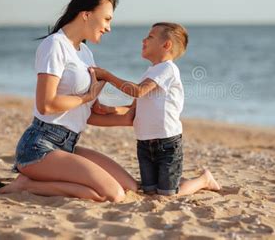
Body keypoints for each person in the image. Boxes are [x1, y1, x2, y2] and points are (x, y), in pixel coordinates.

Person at [0, 0, 138, 202]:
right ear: (86, 14)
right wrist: (87, 97)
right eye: (107, 19)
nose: (109, 28)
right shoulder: (54, 45)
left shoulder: (85, 53)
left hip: (68, 144)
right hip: (39, 146)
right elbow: (46, 104)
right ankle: (27, 184)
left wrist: (127, 115)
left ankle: (40, 181)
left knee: (130, 187)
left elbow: (87, 114)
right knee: (114, 195)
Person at [93, 22, 221, 196]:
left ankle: (203, 180)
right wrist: (110, 109)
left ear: (166, 45)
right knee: (149, 191)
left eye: (150, 37)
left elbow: (138, 91)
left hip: (167, 143)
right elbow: (135, 107)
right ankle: (176, 180)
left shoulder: (167, 69)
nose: (143, 40)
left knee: (167, 194)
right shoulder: (151, 72)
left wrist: (107, 76)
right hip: (144, 143)